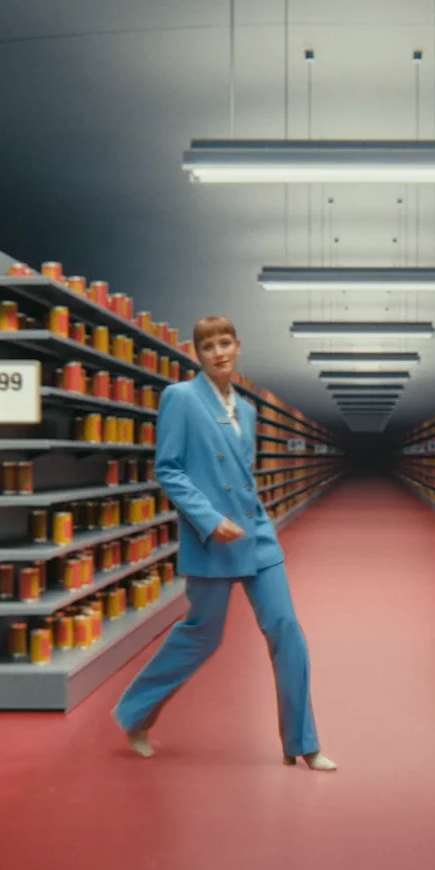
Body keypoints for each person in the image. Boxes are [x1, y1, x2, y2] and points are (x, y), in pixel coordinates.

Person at [111, 315, 336, 771]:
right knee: (202, 635)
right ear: (198, 354)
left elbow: (242, 474)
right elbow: (169, 469)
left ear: (239, 346)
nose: (218, 352)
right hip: (211, 537)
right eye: (208, 346)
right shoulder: (181, 398)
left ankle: (304, 742)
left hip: (255, 534)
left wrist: (250, 519)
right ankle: (134, 713)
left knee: (286, 629)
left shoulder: (248, 409)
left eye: (225, 342)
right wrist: (210, 519)